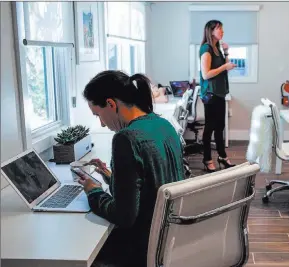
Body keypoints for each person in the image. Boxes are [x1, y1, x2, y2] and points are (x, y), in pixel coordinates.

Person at [78, 71, 185, 267]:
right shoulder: (164, 124)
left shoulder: (126, 138)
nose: (101, 123)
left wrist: (93, 192)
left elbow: (124, 216)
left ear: (111, 104)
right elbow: (150, 185)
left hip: (140, 247)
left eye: (98, 115)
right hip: (168, 238)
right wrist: (112, 176)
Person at [199, 20, 237, 172]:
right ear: (211, 31)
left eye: (222, 29)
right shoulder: (206, 48)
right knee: (209, 128)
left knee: (220, 127)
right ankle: (207, 159)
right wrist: (224, 66)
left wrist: (226, 53)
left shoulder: (217, 48)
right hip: (210, 93)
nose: (222, 32)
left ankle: (222, 155)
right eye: (219, 29)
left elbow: (225, 68)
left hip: (220, 93)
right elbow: (206, 74)